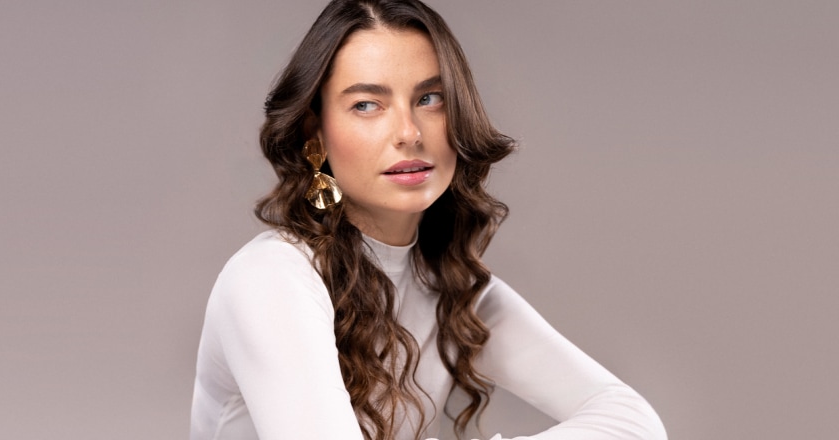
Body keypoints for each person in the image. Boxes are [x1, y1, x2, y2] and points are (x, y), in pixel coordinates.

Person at [189, 1, 667, 439]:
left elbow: (633, 421)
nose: (409, 133)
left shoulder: (450, 287)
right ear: (315, 134)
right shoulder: (270, 278)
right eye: (366, 105)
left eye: (430, 98)